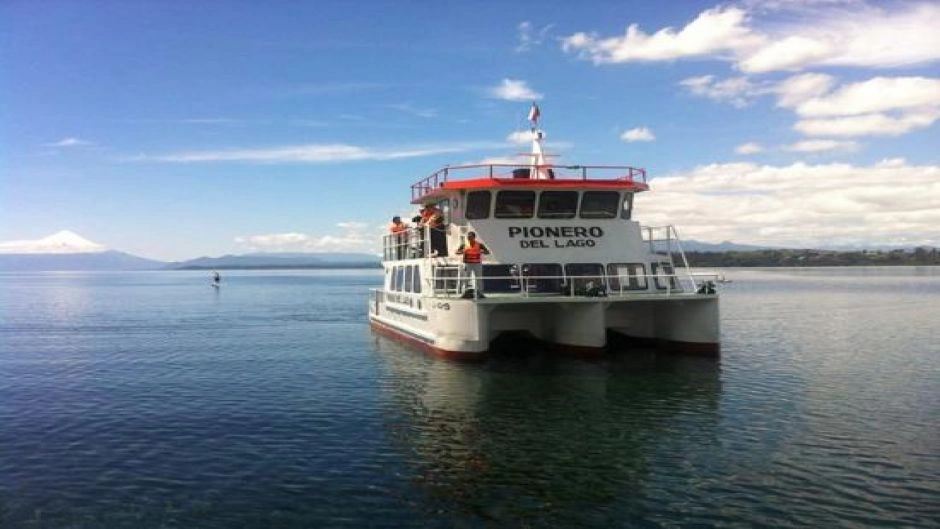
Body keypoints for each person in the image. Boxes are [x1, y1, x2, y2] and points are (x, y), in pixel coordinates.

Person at [456, 231, 490, 299]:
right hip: (467, 264)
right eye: (468, 238)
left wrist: (482, 251)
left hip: (477, 264)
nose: (469, 239)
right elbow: (457, 252)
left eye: (470, 237)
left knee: (479, 278)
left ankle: (480, 293)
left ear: (474, 237)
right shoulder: (464, 244)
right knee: (466, 279)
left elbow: (487, 252)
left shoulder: (480, 245)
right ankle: (464, 293)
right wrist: (462, 251)